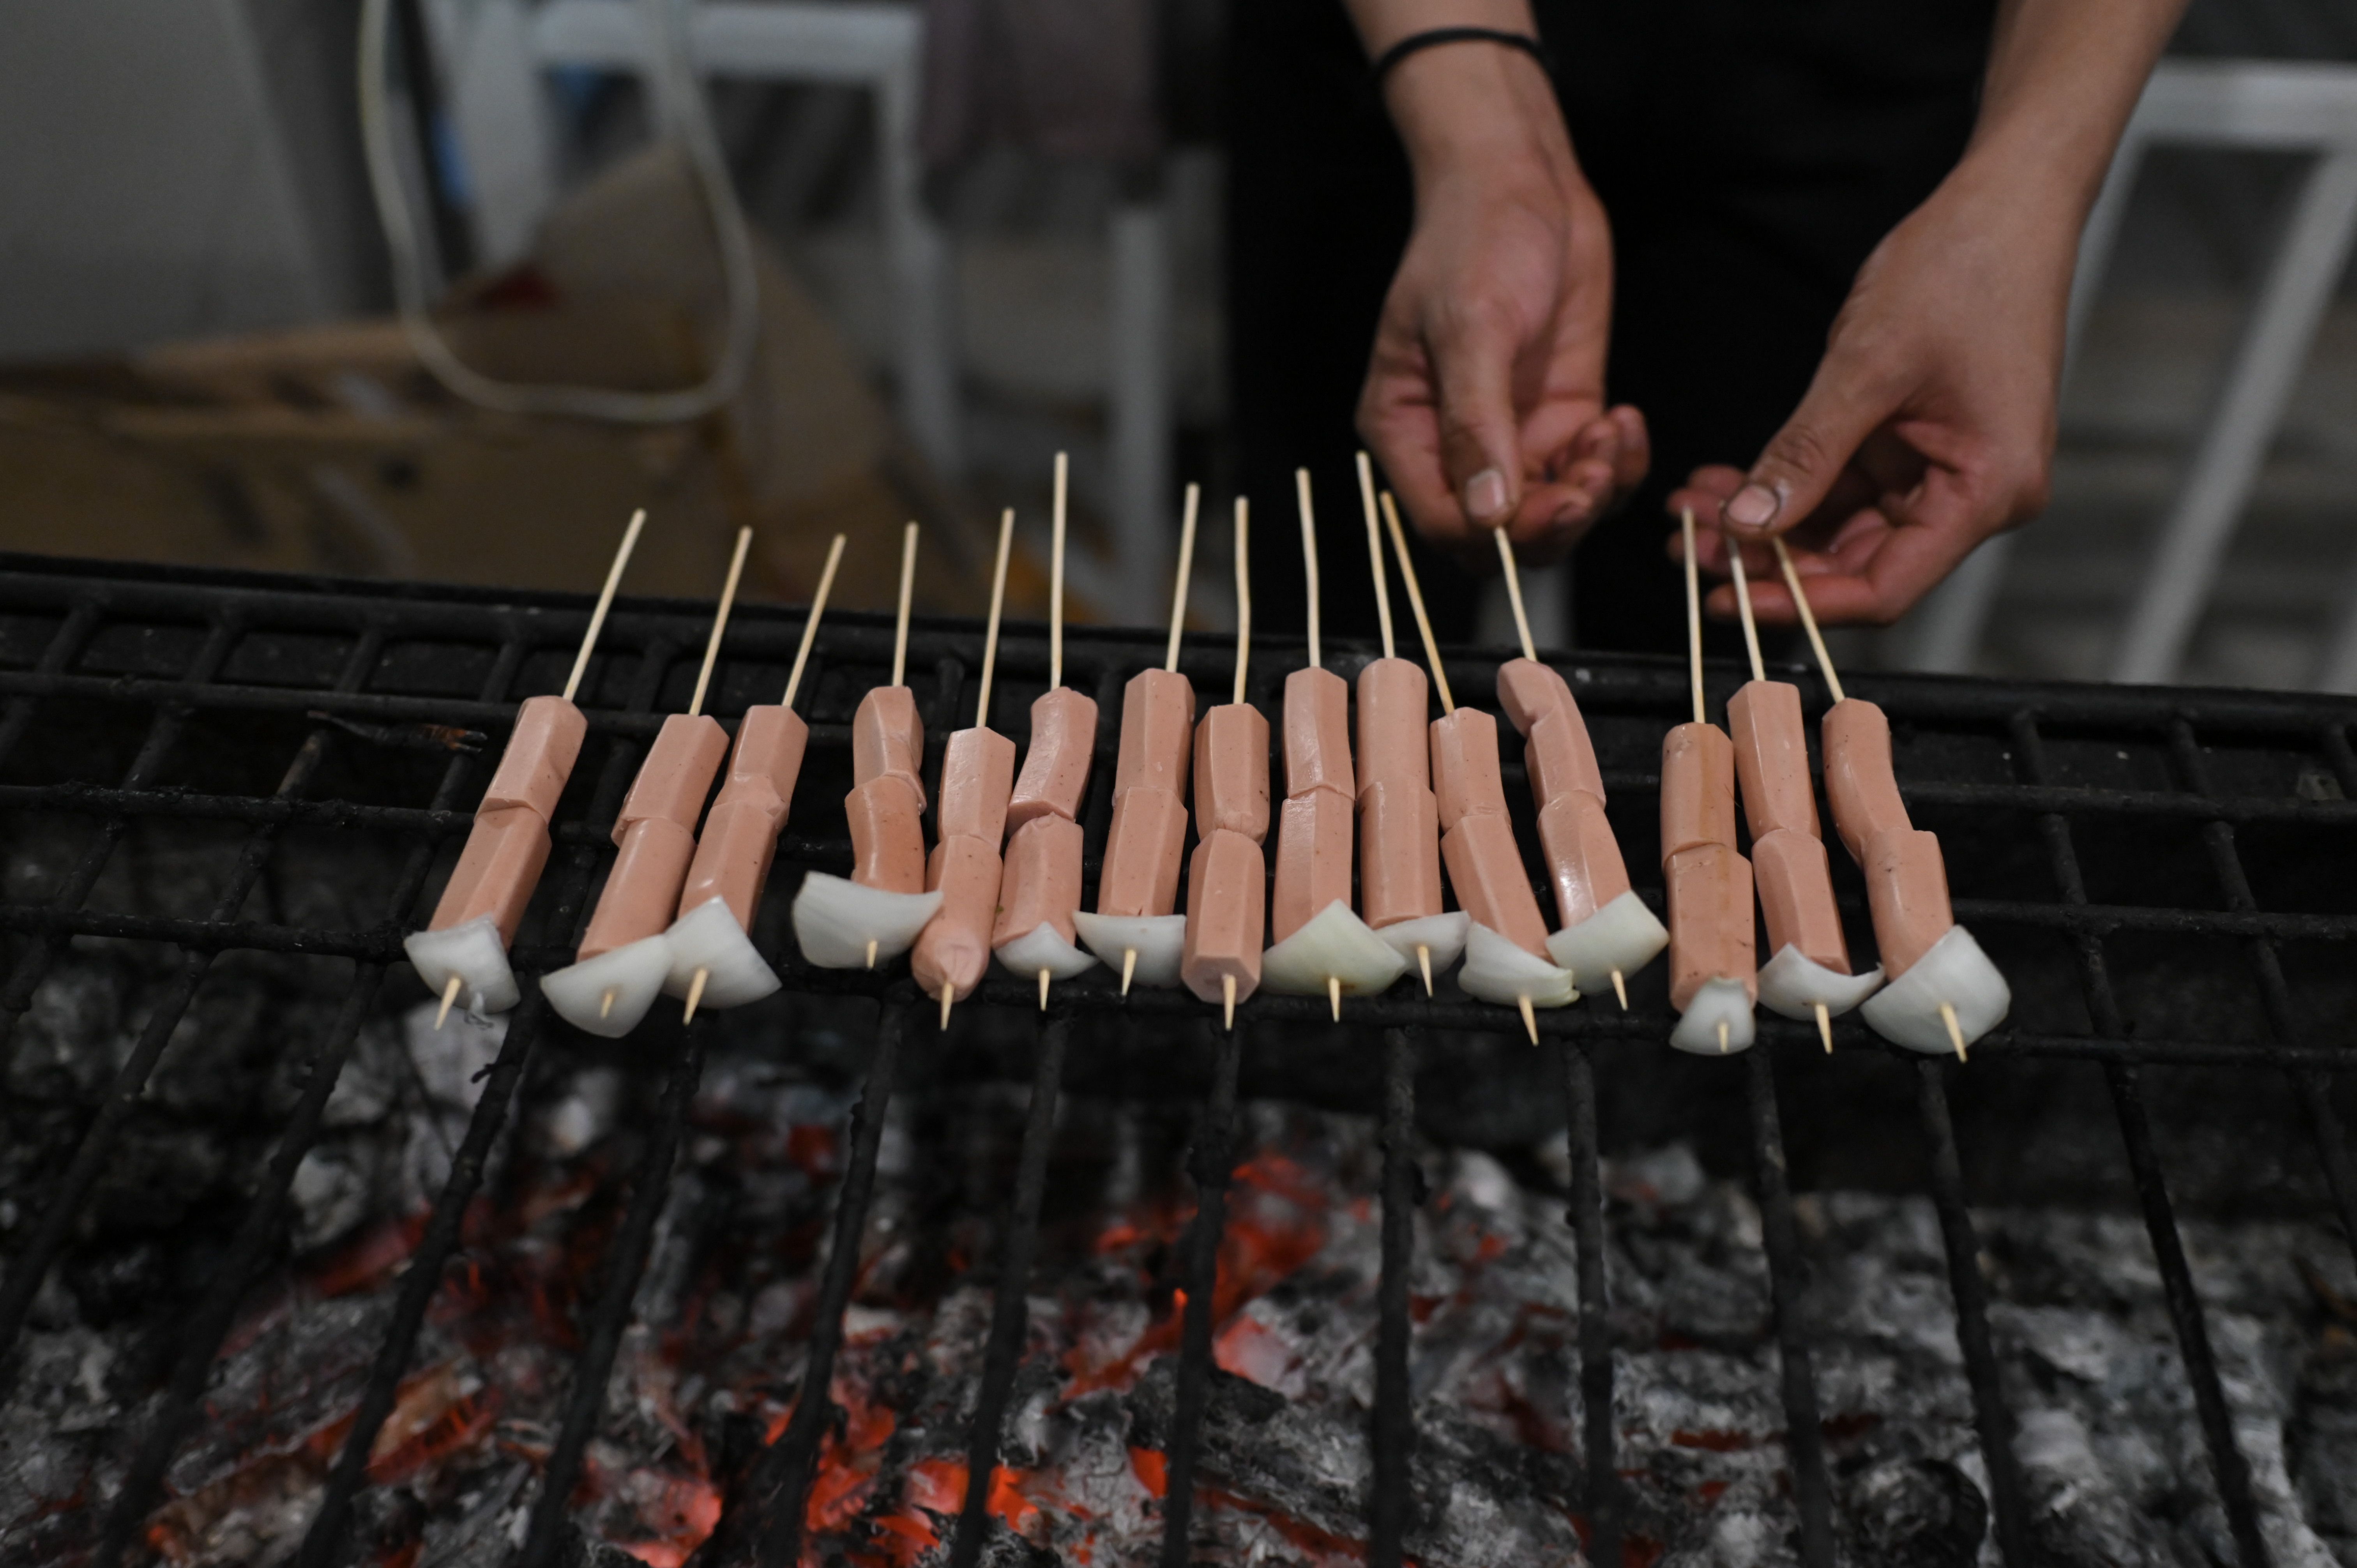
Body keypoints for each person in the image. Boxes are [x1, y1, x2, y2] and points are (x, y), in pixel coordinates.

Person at [1228, 0, 2186, 650]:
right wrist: (1476, 125)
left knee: (1718, 620)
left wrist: (2026, 191)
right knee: (1349, 610)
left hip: (1857, 62)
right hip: (1403, 42)